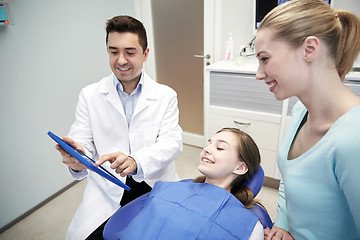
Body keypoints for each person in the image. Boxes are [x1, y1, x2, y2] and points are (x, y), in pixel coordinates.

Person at [55, 15, 183, 240]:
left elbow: (172, 142)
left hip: (155, 184)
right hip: (108, 188)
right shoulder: (90, 94)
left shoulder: (165, 95)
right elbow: (81, 139)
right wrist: (77, 157)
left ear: (145, 54)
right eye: (114, 52)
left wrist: (137, 161)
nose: (121, 60)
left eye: (130, 52)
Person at [255, 0, 360, 239]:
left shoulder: (353, 139)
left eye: (265, 59)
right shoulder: (302, 110)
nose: (258, 73)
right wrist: (283, 223)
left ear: (310, 49)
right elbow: (289, 177)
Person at [103, 128, 265, 240]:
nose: (207, 149)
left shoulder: (249, 226)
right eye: (208, 143)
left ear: (240, 167)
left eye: (220, 148)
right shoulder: (167, 189)